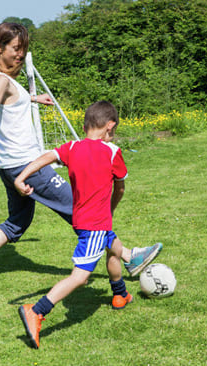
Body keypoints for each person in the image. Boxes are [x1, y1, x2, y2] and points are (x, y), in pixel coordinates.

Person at [0, 22, 161, 282]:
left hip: (9, 167)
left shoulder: (1, 80)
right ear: (0, 48)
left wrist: (32, 98)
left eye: (23, 49)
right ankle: (131, 257)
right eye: (16, 49)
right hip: (27, 166)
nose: (21, 54)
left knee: (17, 222)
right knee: (83, 210)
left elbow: (9, 102)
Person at [15, 101, 142, 349]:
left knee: (115, 248)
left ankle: (120, 294)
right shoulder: (113, 152)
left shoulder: (71, 147)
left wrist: (21, 177)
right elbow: (121, 187)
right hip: (95, 224)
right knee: (80, 277)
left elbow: (44, 158)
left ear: (84, 125)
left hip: (83, 220)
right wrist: (111, 209)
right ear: (110, 126)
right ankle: (37, 311)